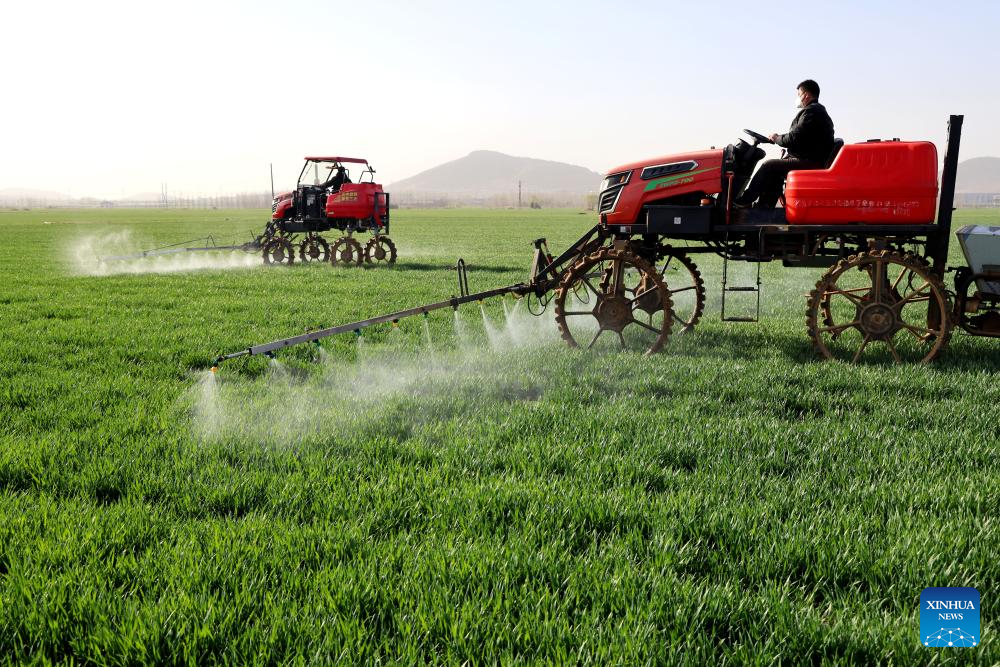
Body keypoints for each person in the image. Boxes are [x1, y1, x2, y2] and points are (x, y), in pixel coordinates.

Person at [734, 79, 834, 208]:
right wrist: (779, 139)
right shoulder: (816, 111)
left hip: (810, 160)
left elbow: (793, 138)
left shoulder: (812, 112)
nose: (798, 98)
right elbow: (799, 137)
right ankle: (765, 206)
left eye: (799, 95)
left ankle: (745, 200)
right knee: (775, 170)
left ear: (807, 95)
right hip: (810, 157)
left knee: (768, 165)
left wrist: (776, 138)